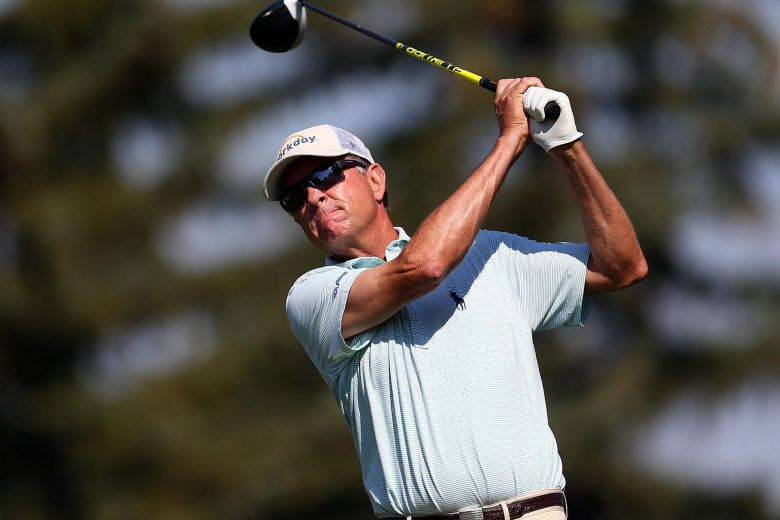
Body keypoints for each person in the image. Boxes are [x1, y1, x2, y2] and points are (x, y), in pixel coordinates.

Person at [262, 78, 647, 519]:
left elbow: (622, 267)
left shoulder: (491, 254)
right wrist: (510, 141)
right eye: (294, 196)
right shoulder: (312, 296)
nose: (313, 196)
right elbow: (423, 268)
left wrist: (567, 147)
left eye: (326, 175)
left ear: (376, 179)